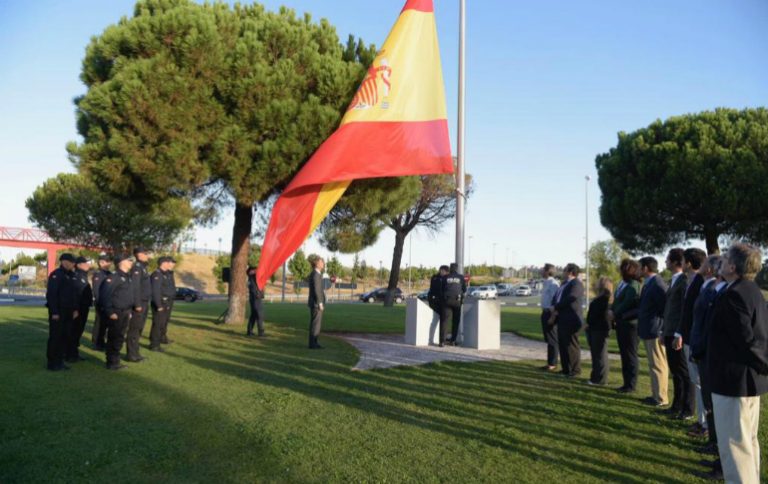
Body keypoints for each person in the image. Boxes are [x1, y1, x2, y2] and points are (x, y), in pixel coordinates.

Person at [707, 244, 768, 484]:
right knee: (748, 442)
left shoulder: (735, 294)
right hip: (746, 381)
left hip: (734, 381)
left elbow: (747, 340)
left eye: (725, 259)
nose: (720, 262)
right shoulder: (752, 290)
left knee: (735, 446)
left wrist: (764, 365)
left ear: (733, 267)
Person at [689, 255, 723, 475]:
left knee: (713, 401)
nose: (700, 266)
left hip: (709, 353)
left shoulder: (716, 290)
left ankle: (719, 448)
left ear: (711, 269)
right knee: (708, 400)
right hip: (701, 348)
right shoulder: (708, 286)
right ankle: (713, 440)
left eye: (704, 264)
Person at [661, 248, 694, 419]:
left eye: (668, 259)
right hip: (669, 331)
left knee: (683, 371)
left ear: (675, 262)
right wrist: (663, 330)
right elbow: (669, 309)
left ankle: (687, 409)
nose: (665, 262)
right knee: (675, 371)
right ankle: (676, 405)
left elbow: (683, 310)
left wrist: (679, 334)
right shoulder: (673, 280)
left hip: (677, 333)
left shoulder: (684, 280)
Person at [676, 248, 707, 431]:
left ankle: (704, 423)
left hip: (694, 338)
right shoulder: (692, 281)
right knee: (696, 381)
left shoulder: (700, 282)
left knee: (700, 382)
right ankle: (701, 420)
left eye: (683, 260)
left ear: (688, 263)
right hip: (688, 336)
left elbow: (694, 314)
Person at [637, 256, 669, 407]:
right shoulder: (649, 284)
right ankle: (655, 394)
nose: (637, 270)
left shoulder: (657, 284)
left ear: (645, 268)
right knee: (652, 364)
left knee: (658, 364)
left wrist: (662, 329)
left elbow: (665, 308)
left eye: (639, 267)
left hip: (655, 330)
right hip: (648, 329)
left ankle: (661, 398)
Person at [610, 258, 641, 393]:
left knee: (630, 354)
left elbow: (627, 302)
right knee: (624, 354)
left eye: (625, 268)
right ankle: (626, 382)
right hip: (621, 323)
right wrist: (612, 310)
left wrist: (614, 312)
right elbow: (617, 300)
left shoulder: (634, 284)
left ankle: (631, 384)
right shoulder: (622, 284)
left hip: (630, 324)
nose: (622, 270)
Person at [100, 254, 136, 370]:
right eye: (129, 260)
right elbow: (105, 296)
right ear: (121, 262)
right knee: (114, 337)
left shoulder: (127, 277)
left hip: (125, 311)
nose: (131, 262)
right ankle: (112, 362)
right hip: (116, 312)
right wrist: (110, 312)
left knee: (120, 337)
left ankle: (115, 360)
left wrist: (129, 310)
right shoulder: (114, 277)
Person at [45, 253, 78, 371]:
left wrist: (75, 309)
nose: (74, 264)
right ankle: (53, 363)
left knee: (64, 336)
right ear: (64, 261)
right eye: (72, 262)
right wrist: (54, 311)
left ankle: (60, 361)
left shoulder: (71, 275)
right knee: (56, 337)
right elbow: (51, 295)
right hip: (58, 312)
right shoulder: (56, 275)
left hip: (68, 312)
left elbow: (73, 295)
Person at [551, 263, 584, 377]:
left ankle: (575, 370)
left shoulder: (576, 284)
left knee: (571, 345)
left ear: (570, 272)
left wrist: (556, 306)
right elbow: (558, 296)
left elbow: (571, 298)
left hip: (571, 318)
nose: (563, 272)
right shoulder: (565, 283)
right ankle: (566, 369)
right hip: (562, 318)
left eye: (564, 270)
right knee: (563, 344)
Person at [586, 277, 613, 385]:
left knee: (600, 354)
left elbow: (598, 315)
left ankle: (600, 379)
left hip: (599, 329)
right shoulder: (602, 298)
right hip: (595, 328)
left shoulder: (603, 299)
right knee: (596, 354)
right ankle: (595, 376)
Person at [126, 247, 151, 363]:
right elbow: (135, 287)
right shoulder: (137, 267)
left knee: (139, 329)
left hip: (144, 302)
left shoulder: (143, 267)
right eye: (146, 253)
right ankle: (131, 355)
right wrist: (137, 304)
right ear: (139, 255)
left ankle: (136, 352)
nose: (148, 255)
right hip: (139, 303)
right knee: (134, 329)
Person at [66, 256, 93, 363]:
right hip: (78, 309)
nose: (88, 265)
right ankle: (70, 354)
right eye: (85, 263)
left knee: (78, 331)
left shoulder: (83, 276)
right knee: (74, 331)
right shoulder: (76, 276)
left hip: (84, 308)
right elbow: (75, 295)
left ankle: (74, 353)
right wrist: (75, 309)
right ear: (79, 265)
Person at [149, 257, 175, 351]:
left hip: (166, 302)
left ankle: (159, 340)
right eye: (168, 262)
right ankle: (154, 345)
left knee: (163, 323)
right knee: (158, 324)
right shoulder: (157, 274)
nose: (170, 264)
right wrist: (158, 305)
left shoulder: (166, 274)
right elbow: (155, 291)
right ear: (163, 263)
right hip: (160, 303)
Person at [539, 263, 560, 371]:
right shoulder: (546, 283)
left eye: (543, 269)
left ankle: (552, 363)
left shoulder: (553, 284)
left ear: (548, 271)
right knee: (548, 339)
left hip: (550, 313)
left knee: (552, 339)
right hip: (544, 312)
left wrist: (553, 316)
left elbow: (556, 301)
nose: (541, 271)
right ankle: (550, 362)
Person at [441, 262, 466, 346]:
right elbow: (464, 290)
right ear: (457, 269)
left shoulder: (445, 277)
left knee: (445, 321)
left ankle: (442, 341)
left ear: (450, 269)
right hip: (457, 301)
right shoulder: (461, 277)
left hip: (447, 301)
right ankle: (453, 341)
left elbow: (442, 289)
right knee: (455, 321)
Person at [91, 254, 112, 351]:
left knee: (105, 324)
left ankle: (101, 342)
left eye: (109, 261)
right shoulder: (99, 274)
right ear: (101, 262)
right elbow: (96, 290)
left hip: (109, 302)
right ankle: (96, 343)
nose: (109, 263)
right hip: (101, 303)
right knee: (99, 324)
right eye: (107, 261)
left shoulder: (109, 273)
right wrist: (101, 303)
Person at [307, 255, 326, 349]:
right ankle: (313, 344)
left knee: (315, 324)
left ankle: (314, 342)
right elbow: (317, 290)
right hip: (316, 304)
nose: (323, 264)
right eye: (321, 262)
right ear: (317, 264)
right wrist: (320, 303)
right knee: (316, 324)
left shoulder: (316, 274)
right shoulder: (315, 274)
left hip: (315, 303)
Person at [428, 265, 449, 346]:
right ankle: (432, 340)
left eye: (444, 271)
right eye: (442, 270)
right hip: (438, 303)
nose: (443, 272)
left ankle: (439, 340)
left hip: (438, 302)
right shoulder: (437, 278)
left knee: (440, 322)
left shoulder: (435, 278)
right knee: (436, 322)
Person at [246, 265, 265, 337]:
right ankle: (261, 332)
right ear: (250, 272)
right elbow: (254, 289)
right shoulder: (252, 278)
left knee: (253, 315)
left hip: (254, 298)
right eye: (254, 270)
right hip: (256, 298)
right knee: (259, 315)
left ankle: (249, 331)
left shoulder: (253, 278)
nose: (256, 271)